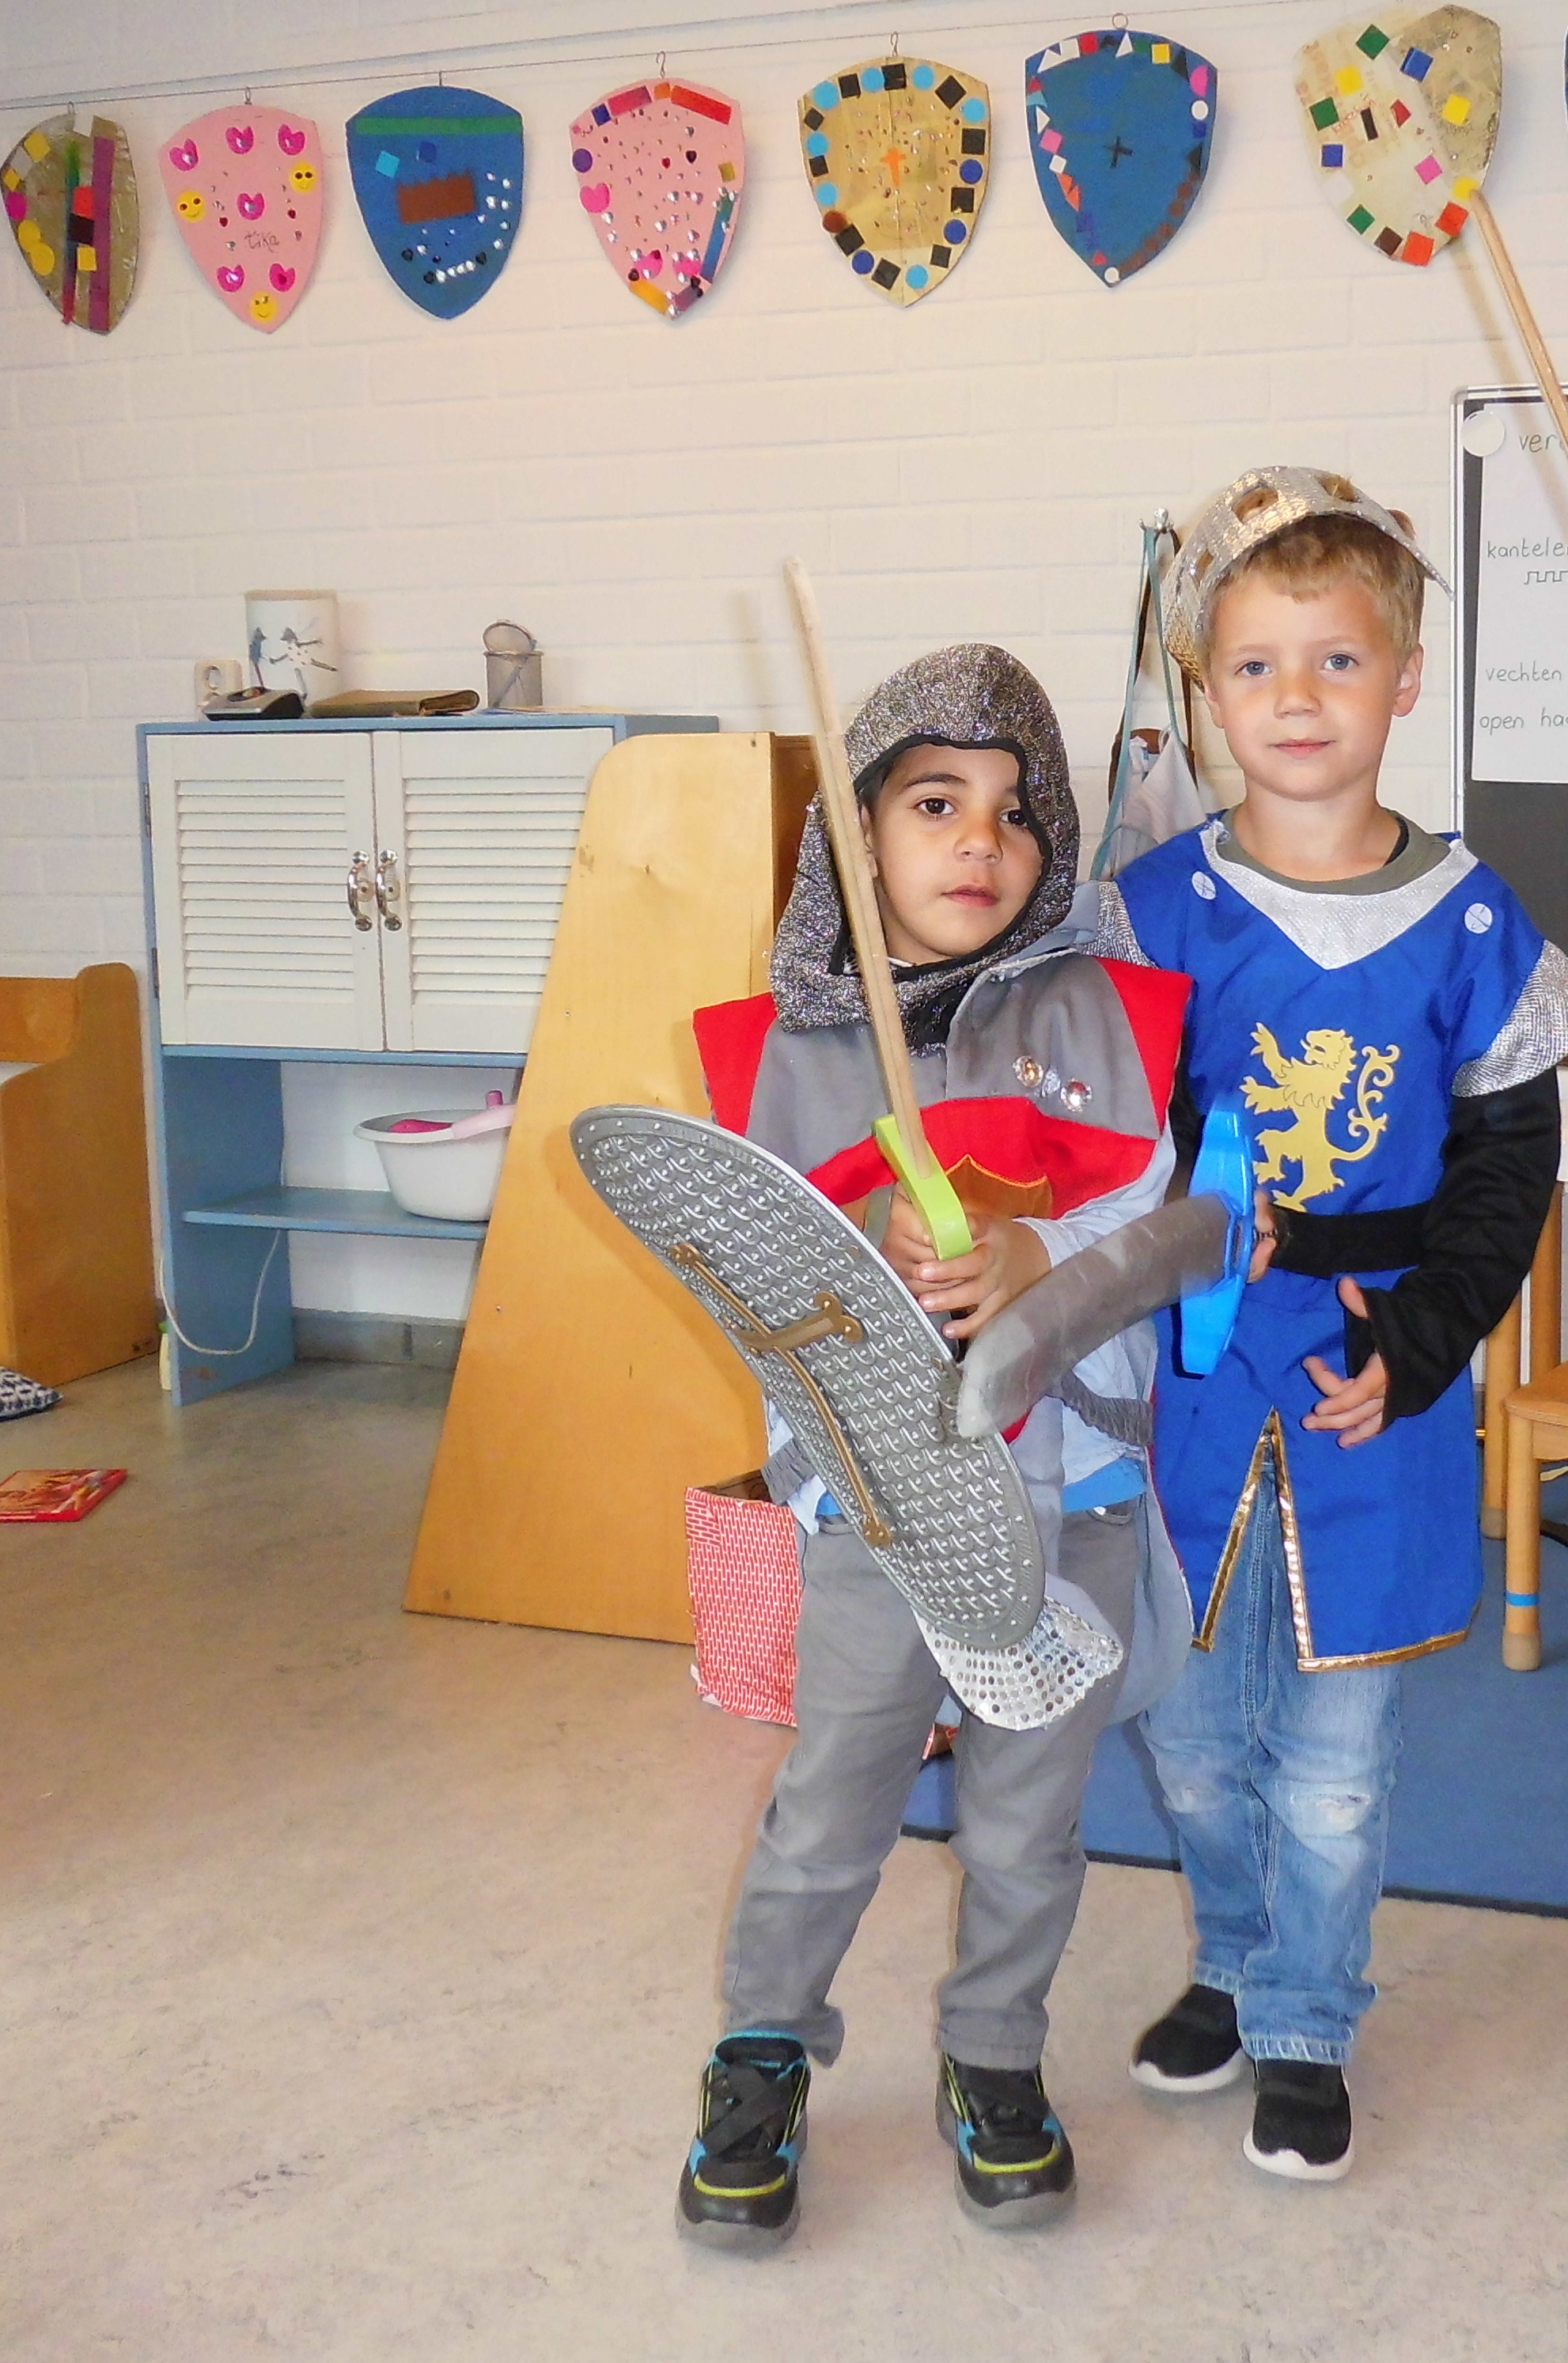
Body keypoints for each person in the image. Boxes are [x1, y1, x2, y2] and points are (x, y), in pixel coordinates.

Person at [1104, 468, 1568, 2183]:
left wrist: (1428, 1338)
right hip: (1190, 1377)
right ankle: (1236, 1963)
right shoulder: (1153, 912)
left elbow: (1507, 1170)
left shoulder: (1471, 921)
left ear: (1405, 682)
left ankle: (1308, 2017)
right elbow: (1108, 1144)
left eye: (1336, 660)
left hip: (1367, 1379)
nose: (1296, 699)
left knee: (1332, 1760)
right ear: (1205, 690)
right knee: (1186, 1732)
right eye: (1256, 665)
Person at [673, 645, 1195, 2248]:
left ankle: (995, 2054)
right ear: (857, 840)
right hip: (881, 1516)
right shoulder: (785, 1054)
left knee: (1030, 1820)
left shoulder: (1106, 1021)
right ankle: (763, 2050)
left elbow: (1167, 1236)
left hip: (1074, 1497)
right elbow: (757, 1290)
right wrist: (865, 1279)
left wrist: (1039, 1258)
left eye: (1017, 813)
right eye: (934, 803)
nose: (981, 840)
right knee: (833, 1798)